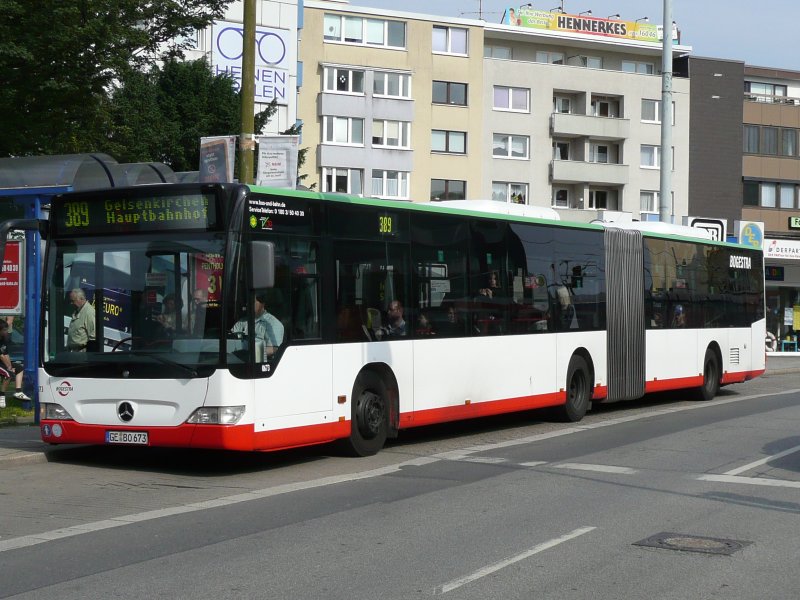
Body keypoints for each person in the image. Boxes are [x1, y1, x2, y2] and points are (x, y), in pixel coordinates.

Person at [231, 292, 284, 358]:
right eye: (247, 302)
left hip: (261, 363)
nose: (248, 304)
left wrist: (250, 353)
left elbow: (274, 349)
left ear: (262, 304)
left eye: (252, 302)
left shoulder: (273, 323)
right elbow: (231, 339)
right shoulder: (242, 322)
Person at [0, 320, 31, 406]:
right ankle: (1, 396)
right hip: (0, 362)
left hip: (2, 363)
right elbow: (1, 356)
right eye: (5, 330)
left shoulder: (3, 339)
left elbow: (6, 354)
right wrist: (9, 368)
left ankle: (18, 391)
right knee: (8, 374)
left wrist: (10, 365)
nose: (7, 331)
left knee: (20, 368)